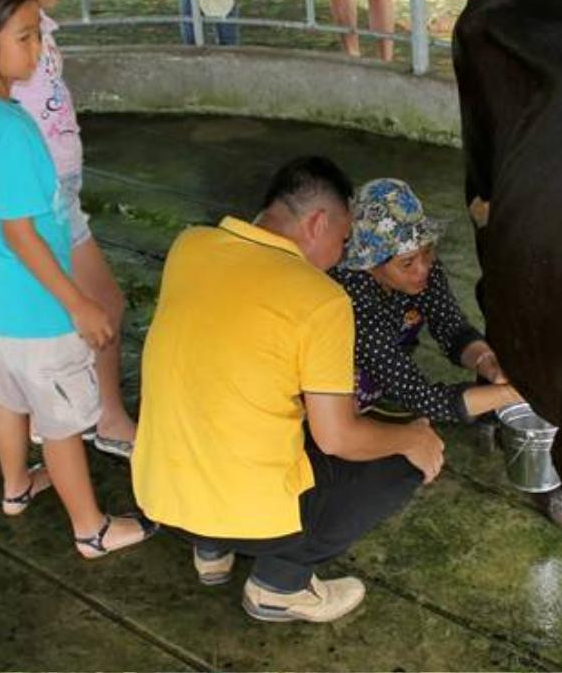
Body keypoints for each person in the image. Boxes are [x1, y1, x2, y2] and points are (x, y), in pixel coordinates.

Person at [132, 156, 445, 623]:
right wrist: (413, 438)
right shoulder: (321, 298)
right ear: (317, 222)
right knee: (404, 457)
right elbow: (338, 439)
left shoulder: (191, 244)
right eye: (342, 241)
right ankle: (281, 584)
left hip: (161, 496)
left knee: (227, 395)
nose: (342, 257)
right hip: (253, 517)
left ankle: (211, 549)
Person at [0, 0, 157, 557]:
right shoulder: (10, 129)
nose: (38, 49)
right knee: (60, 423)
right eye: (26, 37)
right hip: (37, 306)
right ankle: (91, 528)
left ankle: (14, 488)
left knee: (12, 396)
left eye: (39, 33)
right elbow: (22, 230)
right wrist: (78, 302)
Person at [0, 0, 138, 457]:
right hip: (45, 201)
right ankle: (101, 421)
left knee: (95, 310)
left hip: (61, 195)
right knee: (96, 310)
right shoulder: (3, 47)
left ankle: (69, 418)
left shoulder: (37, 28)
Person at [331, 178, 562, 525]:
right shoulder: (351, 300)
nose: (423, 267)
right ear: (371, 265)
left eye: (427, 252)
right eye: (408, 263)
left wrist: (489, 363)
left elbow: (452, 328)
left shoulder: (422, 268)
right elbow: (424, 398)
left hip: (386, 373)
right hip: (342, 387)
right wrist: (512, 392)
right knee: (405, 455)